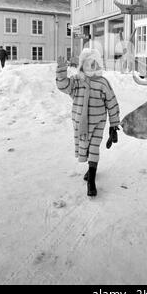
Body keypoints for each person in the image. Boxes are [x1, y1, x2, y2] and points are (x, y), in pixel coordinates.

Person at [56, 48, 120, 197]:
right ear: (82, 65)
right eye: (89, 63)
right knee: (85, 147)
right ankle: (90, 167)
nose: (93, 66)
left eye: (95, 63)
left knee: (94, 148)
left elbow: (112, 102)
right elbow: (63, 86)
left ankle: (91, 180)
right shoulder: (77, 81)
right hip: (80, 123)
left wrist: (114, 124)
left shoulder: (103, 83)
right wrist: (61, 71)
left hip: (98, 122)